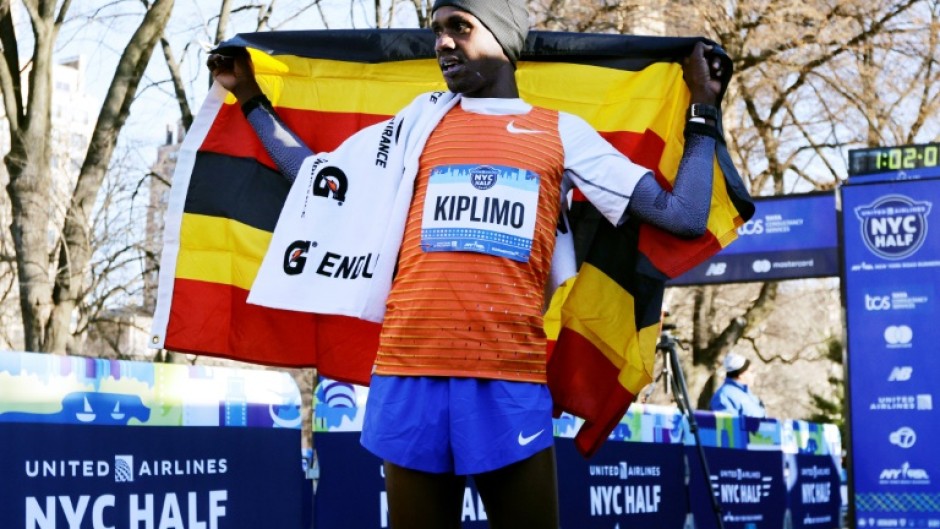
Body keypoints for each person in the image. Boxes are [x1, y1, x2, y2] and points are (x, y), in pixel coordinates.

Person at [208, 0, 727, 526]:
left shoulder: (562, 133)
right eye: (437, 30)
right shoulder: (417, 124)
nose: (443, 42)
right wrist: (249, 98)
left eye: (460, 27)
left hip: (508, 378)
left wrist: (703, 108)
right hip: (409, 376)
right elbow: (318, 179)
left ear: (503, 38)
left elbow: (682, 216)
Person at [710, 352, 767, 418]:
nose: (754, 375)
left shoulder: (748, 395)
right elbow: (726, 424)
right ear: (741, 375)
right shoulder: (724, 395)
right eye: (751, 372)